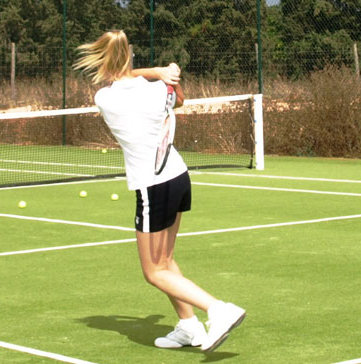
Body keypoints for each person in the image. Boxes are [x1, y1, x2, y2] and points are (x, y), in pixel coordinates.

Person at [74, 30, 245, 353]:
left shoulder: (105, 99)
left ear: (101, 61)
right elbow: (179, 100)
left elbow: (122, 79)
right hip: (179, 177)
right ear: (129, 56)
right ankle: (188, 327)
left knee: (153, 272)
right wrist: (164, 73)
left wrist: (153, 72)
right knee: (165, 261)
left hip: (153, 186)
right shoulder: (159, 89)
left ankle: (219, 310)